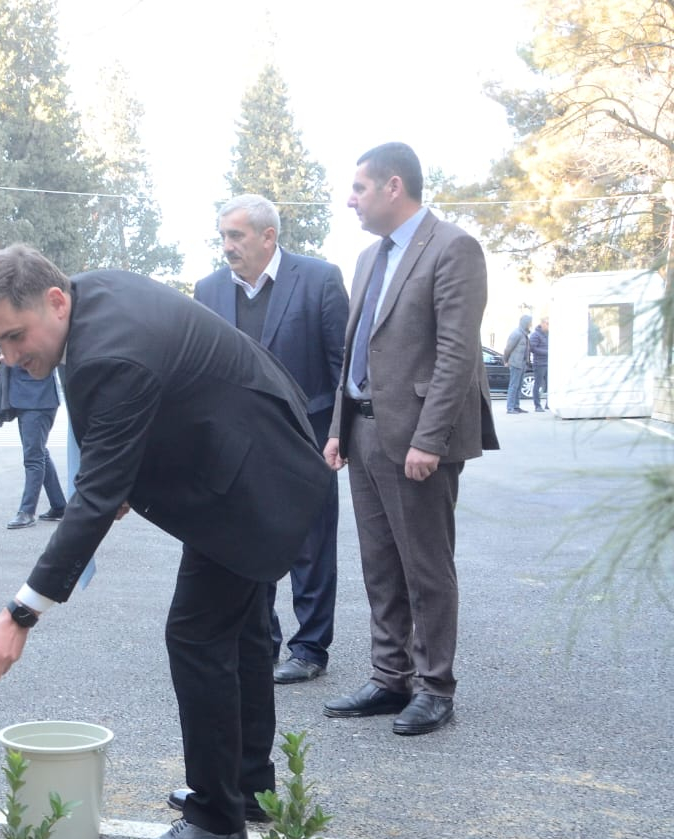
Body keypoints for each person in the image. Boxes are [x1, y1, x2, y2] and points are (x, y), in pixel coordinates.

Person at [0, 244, 331, 839]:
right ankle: (245, 787)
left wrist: (20, 613)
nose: (8, 356)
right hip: (252, 466)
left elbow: (95, 498)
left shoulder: (108, 351)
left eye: (14, 336)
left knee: (196, 636)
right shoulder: (90, 298)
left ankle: (216, 822)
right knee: (237, 634)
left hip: (254, 481)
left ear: (56, 301)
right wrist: (118, 479)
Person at [323, 142, 497, 738]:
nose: (351, 200)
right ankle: (389, 675)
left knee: (425, 566)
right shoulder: (370, 258)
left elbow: (456, 355)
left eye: (359, 189)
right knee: (379, 565)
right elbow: (354, 351)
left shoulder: (453, 248)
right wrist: (337, 429)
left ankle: (434, 686)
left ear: (393, 187)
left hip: (419, 440)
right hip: (365, 431)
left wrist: (430, 438)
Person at [194, 194, 347, 687]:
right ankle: (264, 641)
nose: (226, 246)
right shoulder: (209, 290)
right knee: (249, 544)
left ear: (268, 236)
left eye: (235, 236)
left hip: (308, 438)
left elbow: (342, 364)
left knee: (312, 546)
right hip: (239, 446)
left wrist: (342, 432)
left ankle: (309, 648)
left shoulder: (319, 279)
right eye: (222, 236)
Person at [0, 364, 66, 529]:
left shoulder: (37, 339)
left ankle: (27, 512)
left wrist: (9, 355)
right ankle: (59, 507)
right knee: (39, 453)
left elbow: (41, 358)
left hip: (38, 400)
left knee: (33, 458)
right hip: (28, 399)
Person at [503, 314, 532, 414]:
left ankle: (516, 406)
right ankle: (510, 408)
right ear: (525, 323)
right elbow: (508, 348)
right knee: (513, 386)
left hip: (522, 364)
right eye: (529, 322)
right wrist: (505, 360)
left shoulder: (524, 334)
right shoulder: (516, 333)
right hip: (515, 363)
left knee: (519, 386)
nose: (531, 324)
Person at [529, 317, 549, 411]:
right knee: (538, 384)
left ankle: (548, 404)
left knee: (550, 385)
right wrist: (547, 352)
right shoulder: (535, 335)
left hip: (549, 363)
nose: (549, 326)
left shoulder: (549, 334)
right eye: (547, 323)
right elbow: (532, 349)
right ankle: (537, 405)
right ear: (542, 323)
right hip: (539, 363)